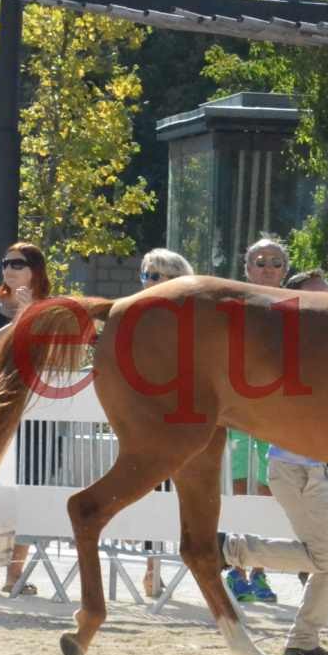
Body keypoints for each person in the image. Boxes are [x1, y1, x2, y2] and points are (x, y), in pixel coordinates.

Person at [218, 435, 328, 655]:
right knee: (323, 559)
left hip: (315, 470)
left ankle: (303, 641)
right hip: (297, 470)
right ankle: (228, 548)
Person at [0, 243, 52, 596]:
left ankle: (14, 574)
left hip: (38, 409)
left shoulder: (50, 309)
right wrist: (20, 319)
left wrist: (34, 314)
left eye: (17, 264)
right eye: (5, 263)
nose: (8, 269)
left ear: (36, 270)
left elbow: (57, 356)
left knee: (28, 491)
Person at [224, 236, 292, 603]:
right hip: (238, 409)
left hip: (278, 412)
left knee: (269, 490)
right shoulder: (234, 304)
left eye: (276, 262)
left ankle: (260, 571)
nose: (268, 268)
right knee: (238, 487)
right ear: (247, 268)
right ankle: (236, 570)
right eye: (261, 261)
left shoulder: (296, 307)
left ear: (285, 271)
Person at [136, 248, 194, 597]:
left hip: (188, 420)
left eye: (159, 276)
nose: (151, 282)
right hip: (149, 420)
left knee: (190, 497)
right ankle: (152, 567)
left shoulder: (193, 319)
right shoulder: (135, 315)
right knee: (151, 496)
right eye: (147, 275)